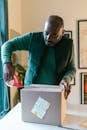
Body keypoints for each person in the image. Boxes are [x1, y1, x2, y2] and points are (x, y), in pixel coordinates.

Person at [1, 15, 76, 99]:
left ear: (62, 33)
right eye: (46, 33)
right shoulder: (33, 38)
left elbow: (72, 69)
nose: (48, 38)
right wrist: (6, 63)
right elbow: (7, 45)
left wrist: (66, 79)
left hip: (54, 93)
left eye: (54, 35)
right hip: (30, 90)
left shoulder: (68, 45)